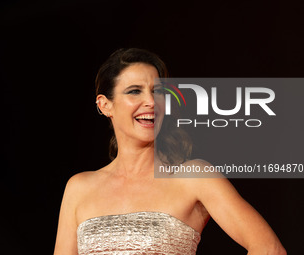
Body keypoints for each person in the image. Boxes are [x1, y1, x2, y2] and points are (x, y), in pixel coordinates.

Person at [53, 48, 286, 255]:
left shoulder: (194, 177)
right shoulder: (79, 188)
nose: (151, 102)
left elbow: (269, 248)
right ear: (105, 105)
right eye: (134, 91)